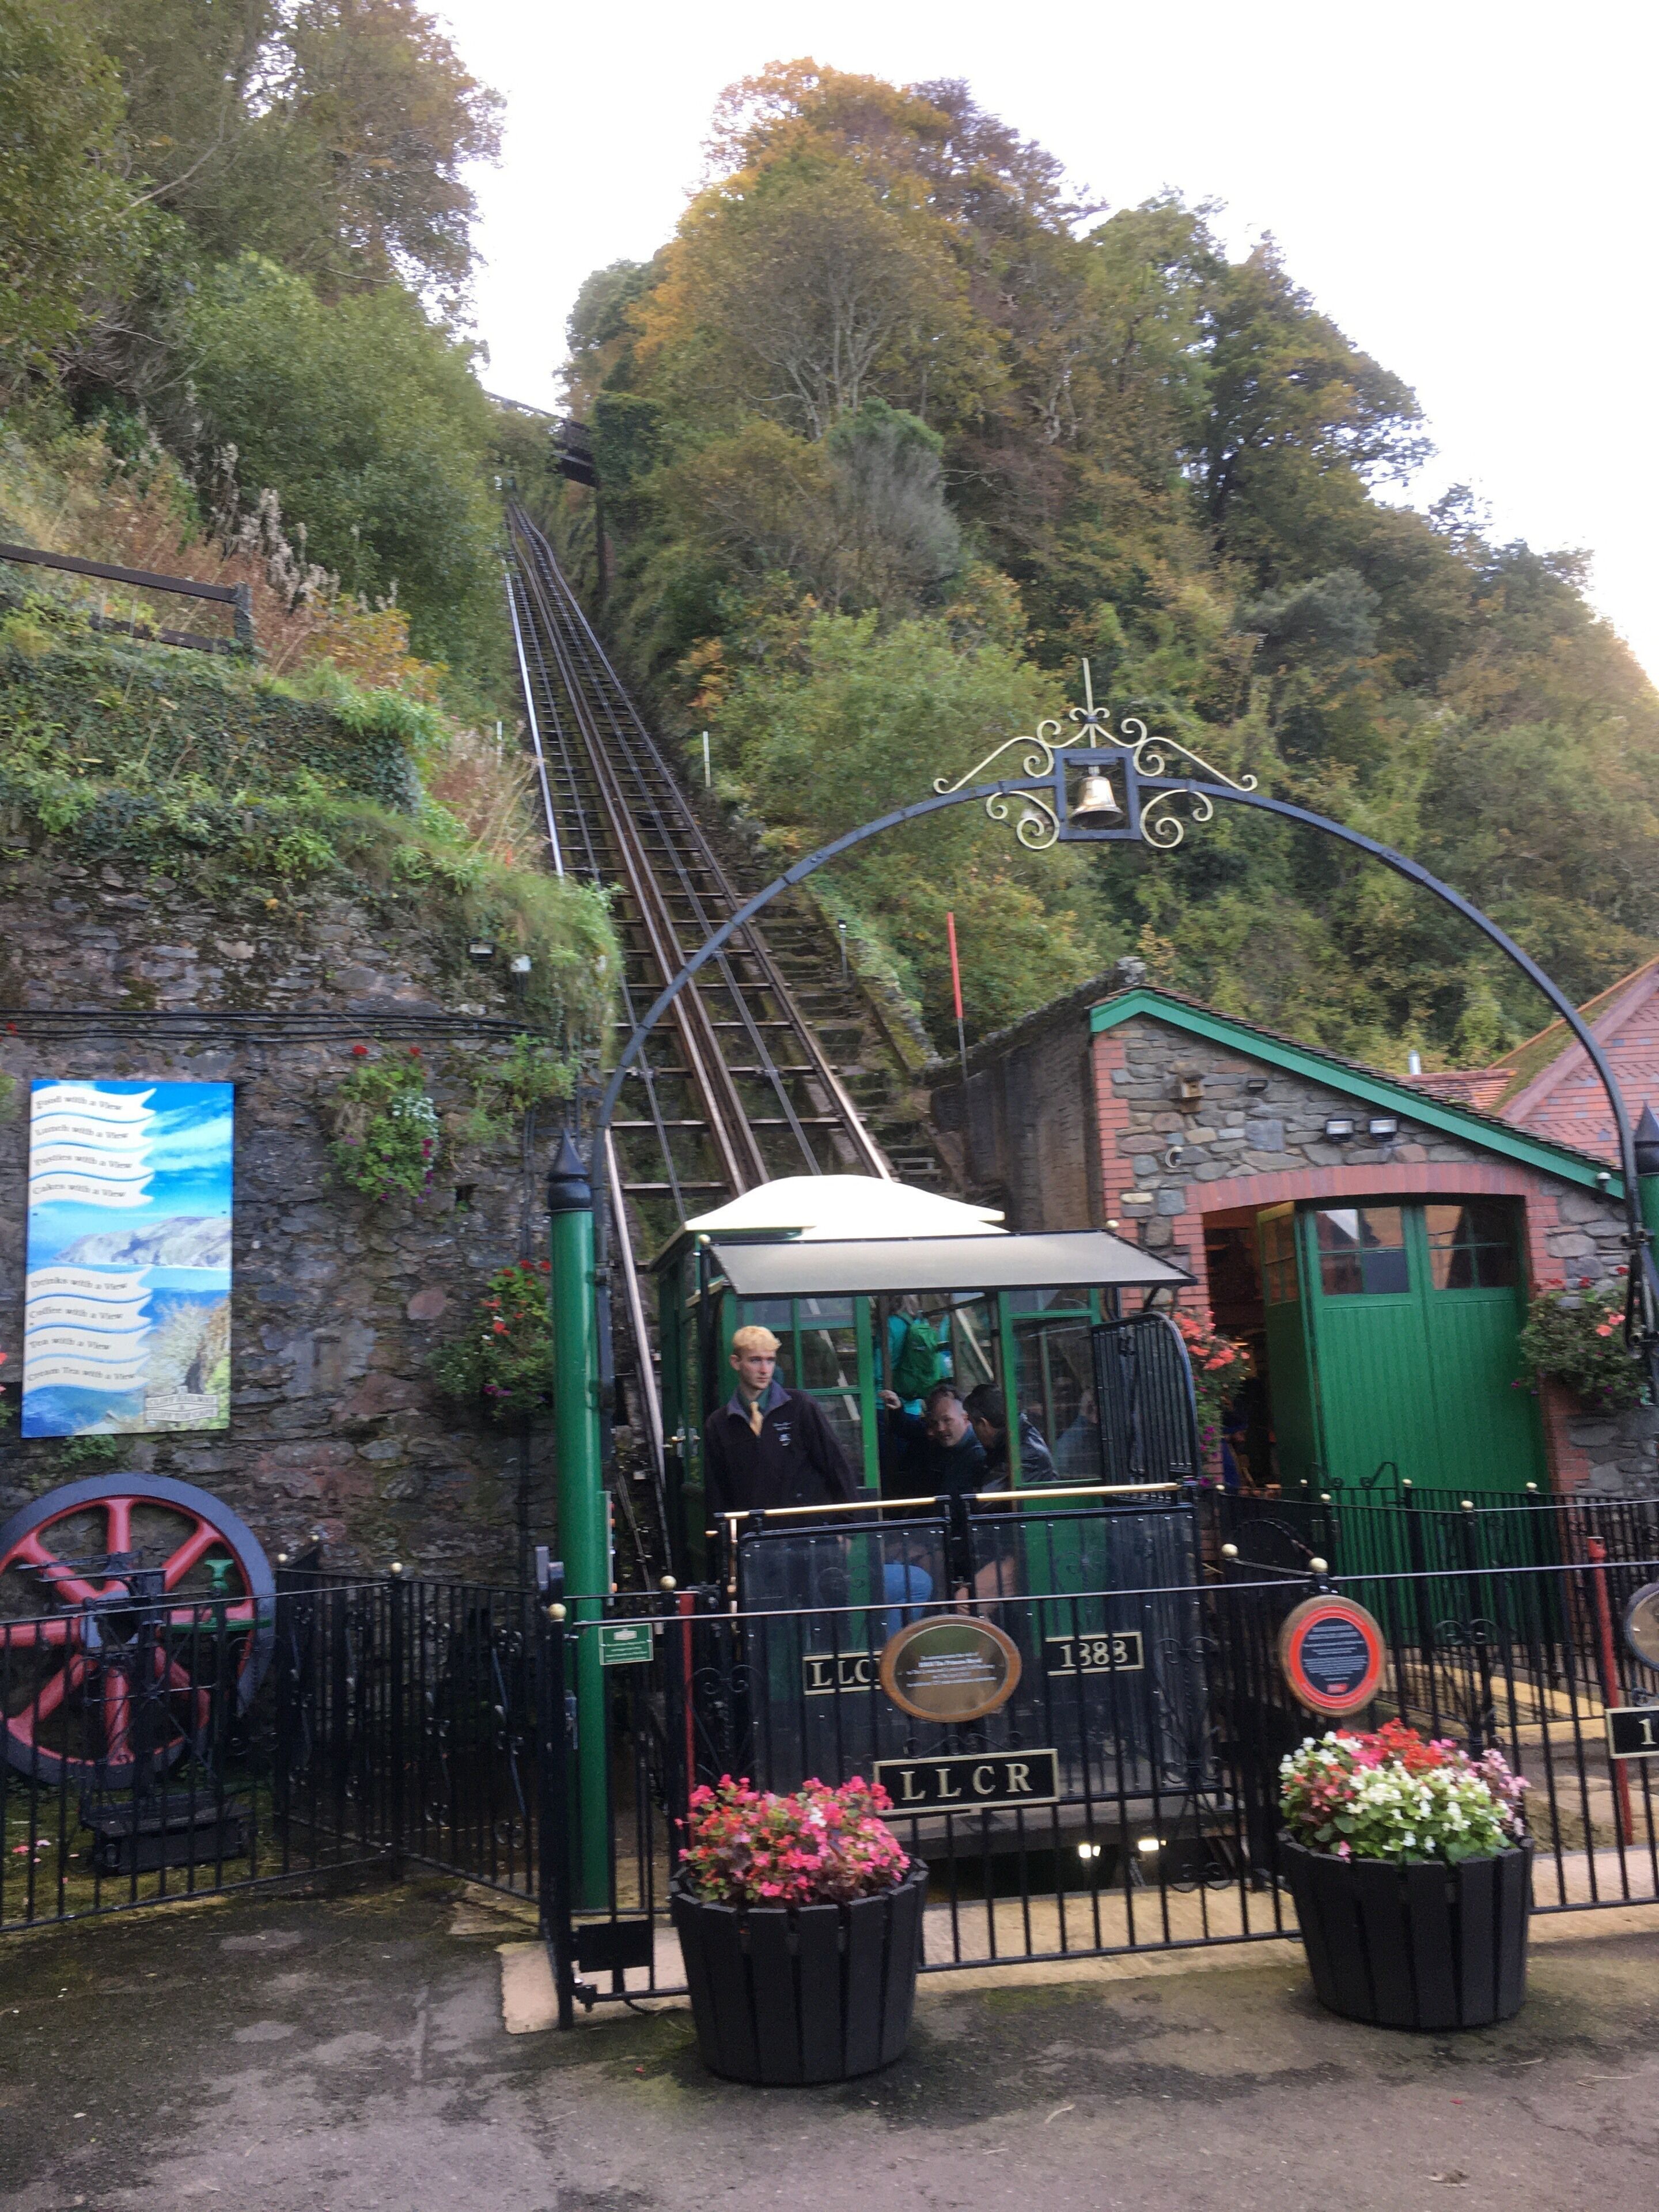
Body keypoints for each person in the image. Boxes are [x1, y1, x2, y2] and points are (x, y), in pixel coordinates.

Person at [702, 1324, 858, 1523]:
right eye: (755, 1360)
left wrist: (846, 1524)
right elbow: (717, 1492)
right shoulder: (719, 1424)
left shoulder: (801, 1407)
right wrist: (721, 1537)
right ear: (736, 1362)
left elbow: (836, 1464)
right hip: (753, 1534)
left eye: (770, 1360)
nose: (764, 1370)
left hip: (807, 1531)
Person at [878, 1382, 987, 1502]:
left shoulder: (979, 1454)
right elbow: (908, 1429)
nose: (940, 1428)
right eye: (935, 1423)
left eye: (947, 1420)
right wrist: (897, 1411)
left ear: (966, 1418)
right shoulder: (934, 1441)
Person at [962, 1383, 1058, 1486]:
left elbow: (990, 1492)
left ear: (983, 1424)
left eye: (973, 1424)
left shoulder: (1024, 1453)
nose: (973, 1430)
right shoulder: (1010, 1441)